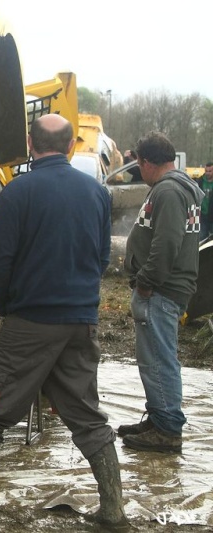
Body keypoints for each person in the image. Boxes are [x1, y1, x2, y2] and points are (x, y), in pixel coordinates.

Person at [0, 114, 127, 528]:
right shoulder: (96, 193)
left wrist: (8, 306)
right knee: (85, 411)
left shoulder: (18, 191)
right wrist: (81, 298)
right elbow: (101, 257)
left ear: (30, 142)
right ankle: (113, 506)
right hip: (80, 321)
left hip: (31, 320)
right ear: (71, 145)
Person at [119, 131, 203, 454]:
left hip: (160, 290)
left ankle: (167, 428)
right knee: (154, 356)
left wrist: (145, 281)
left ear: (146, 162)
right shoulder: (178, 188)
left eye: (138, 164)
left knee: (158, 358)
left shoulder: (168, 191)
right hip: (165, 288)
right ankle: (158, 417)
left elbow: (166, 243)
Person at [197, 162, 213, 242]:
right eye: (206, 171)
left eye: (210, 171)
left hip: (212, 215)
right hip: (202, 215)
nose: (207, 173)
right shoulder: (199, 181)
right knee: (202, 238)